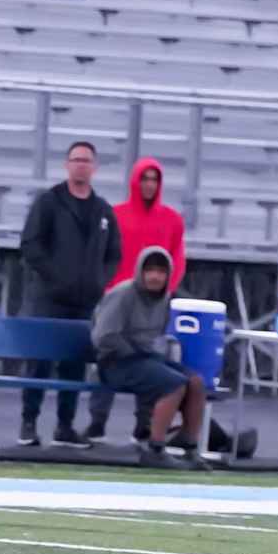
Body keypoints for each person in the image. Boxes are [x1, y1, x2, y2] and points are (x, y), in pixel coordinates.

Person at [18, 141, 120, 449]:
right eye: (76, 160)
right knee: (40, 363)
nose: (81, 166)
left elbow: (114, 253)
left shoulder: (102, 210)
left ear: (94, 167)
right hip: (49, 299)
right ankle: (28, 423)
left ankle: (65, 426)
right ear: (67, 164)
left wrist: (99, 280)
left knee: (74, 366)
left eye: (86, 161)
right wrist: (55, 275)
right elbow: (30, 243)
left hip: (85, 302)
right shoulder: (50, 202)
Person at [85, 157, 187, 443]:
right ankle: (97, 421)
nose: (149, 185)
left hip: (151, 303)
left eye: (154, 179)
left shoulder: (171, 220)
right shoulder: (116, 215)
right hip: (117, 301)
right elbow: (101, 254)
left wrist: (162, 293)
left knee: (151, 356)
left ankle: (144, 424)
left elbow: (177, 259)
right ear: (134, 181)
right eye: (145, 178)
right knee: (107, 357)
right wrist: (108, 287)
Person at [90, 246, 208, 470]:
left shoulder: (165, 299)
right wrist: (132, 350)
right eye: (150, 270)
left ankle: (190, 448)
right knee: (174, 384)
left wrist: (153, 354)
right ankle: (155, 448)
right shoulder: (122, 294)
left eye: (161, 272)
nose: (155, 277)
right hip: (116, 360)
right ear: (140, 271)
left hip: (147, 358)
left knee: (195, 382)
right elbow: (103, 336)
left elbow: (157, 335)